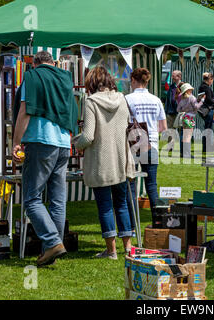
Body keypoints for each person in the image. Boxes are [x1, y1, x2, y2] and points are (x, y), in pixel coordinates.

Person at [12, 51, 78, 267]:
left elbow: (25, 111)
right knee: (58, 200)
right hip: (62, 144)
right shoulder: (65, 78)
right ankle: (51, 252)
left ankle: (51, 243)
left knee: (31, 199)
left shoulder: (32, 76)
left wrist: (15, 142)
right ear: (54, 63)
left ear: (35, 63)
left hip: (40, 142)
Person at [74, 66, 135, 260]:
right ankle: (127, 248)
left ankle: (111, 251)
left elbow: (89, 136)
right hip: (121, 159)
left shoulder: (91, 102)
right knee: (122, 205)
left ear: (91, 83)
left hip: (101, 161)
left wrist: (77, 144)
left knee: (106, 207)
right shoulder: (123, 99)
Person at [125, 68, 167, 222]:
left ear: (134, 80)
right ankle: (158, 223)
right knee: (152, 186)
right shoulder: (156, 100)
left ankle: (132, 226)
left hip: (132, 145)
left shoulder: (127, 99)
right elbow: (163, 128)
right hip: (151, 146)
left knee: (130, 187)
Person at [176, 83, 204, 159]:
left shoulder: (182, 98)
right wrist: (202, 101)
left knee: (184, 136)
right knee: (188, 137)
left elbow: (178, 109)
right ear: (188, 90)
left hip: (184, 117)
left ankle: (183, 152)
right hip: (190, 117)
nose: (191, 90)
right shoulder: (191, 98)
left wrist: (184, 109)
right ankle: (187, 154)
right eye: (190, 89)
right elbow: (196, 107)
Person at [198, 72, 214, 152]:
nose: (212, 82)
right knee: (208, 129)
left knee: (207, 128)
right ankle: (206, 147)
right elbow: (208, 99)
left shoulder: (202, 86)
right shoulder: (206, 87)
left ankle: (206, 147)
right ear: (209, 79)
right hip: (208, 109)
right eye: (212, 80)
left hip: (205, 109)